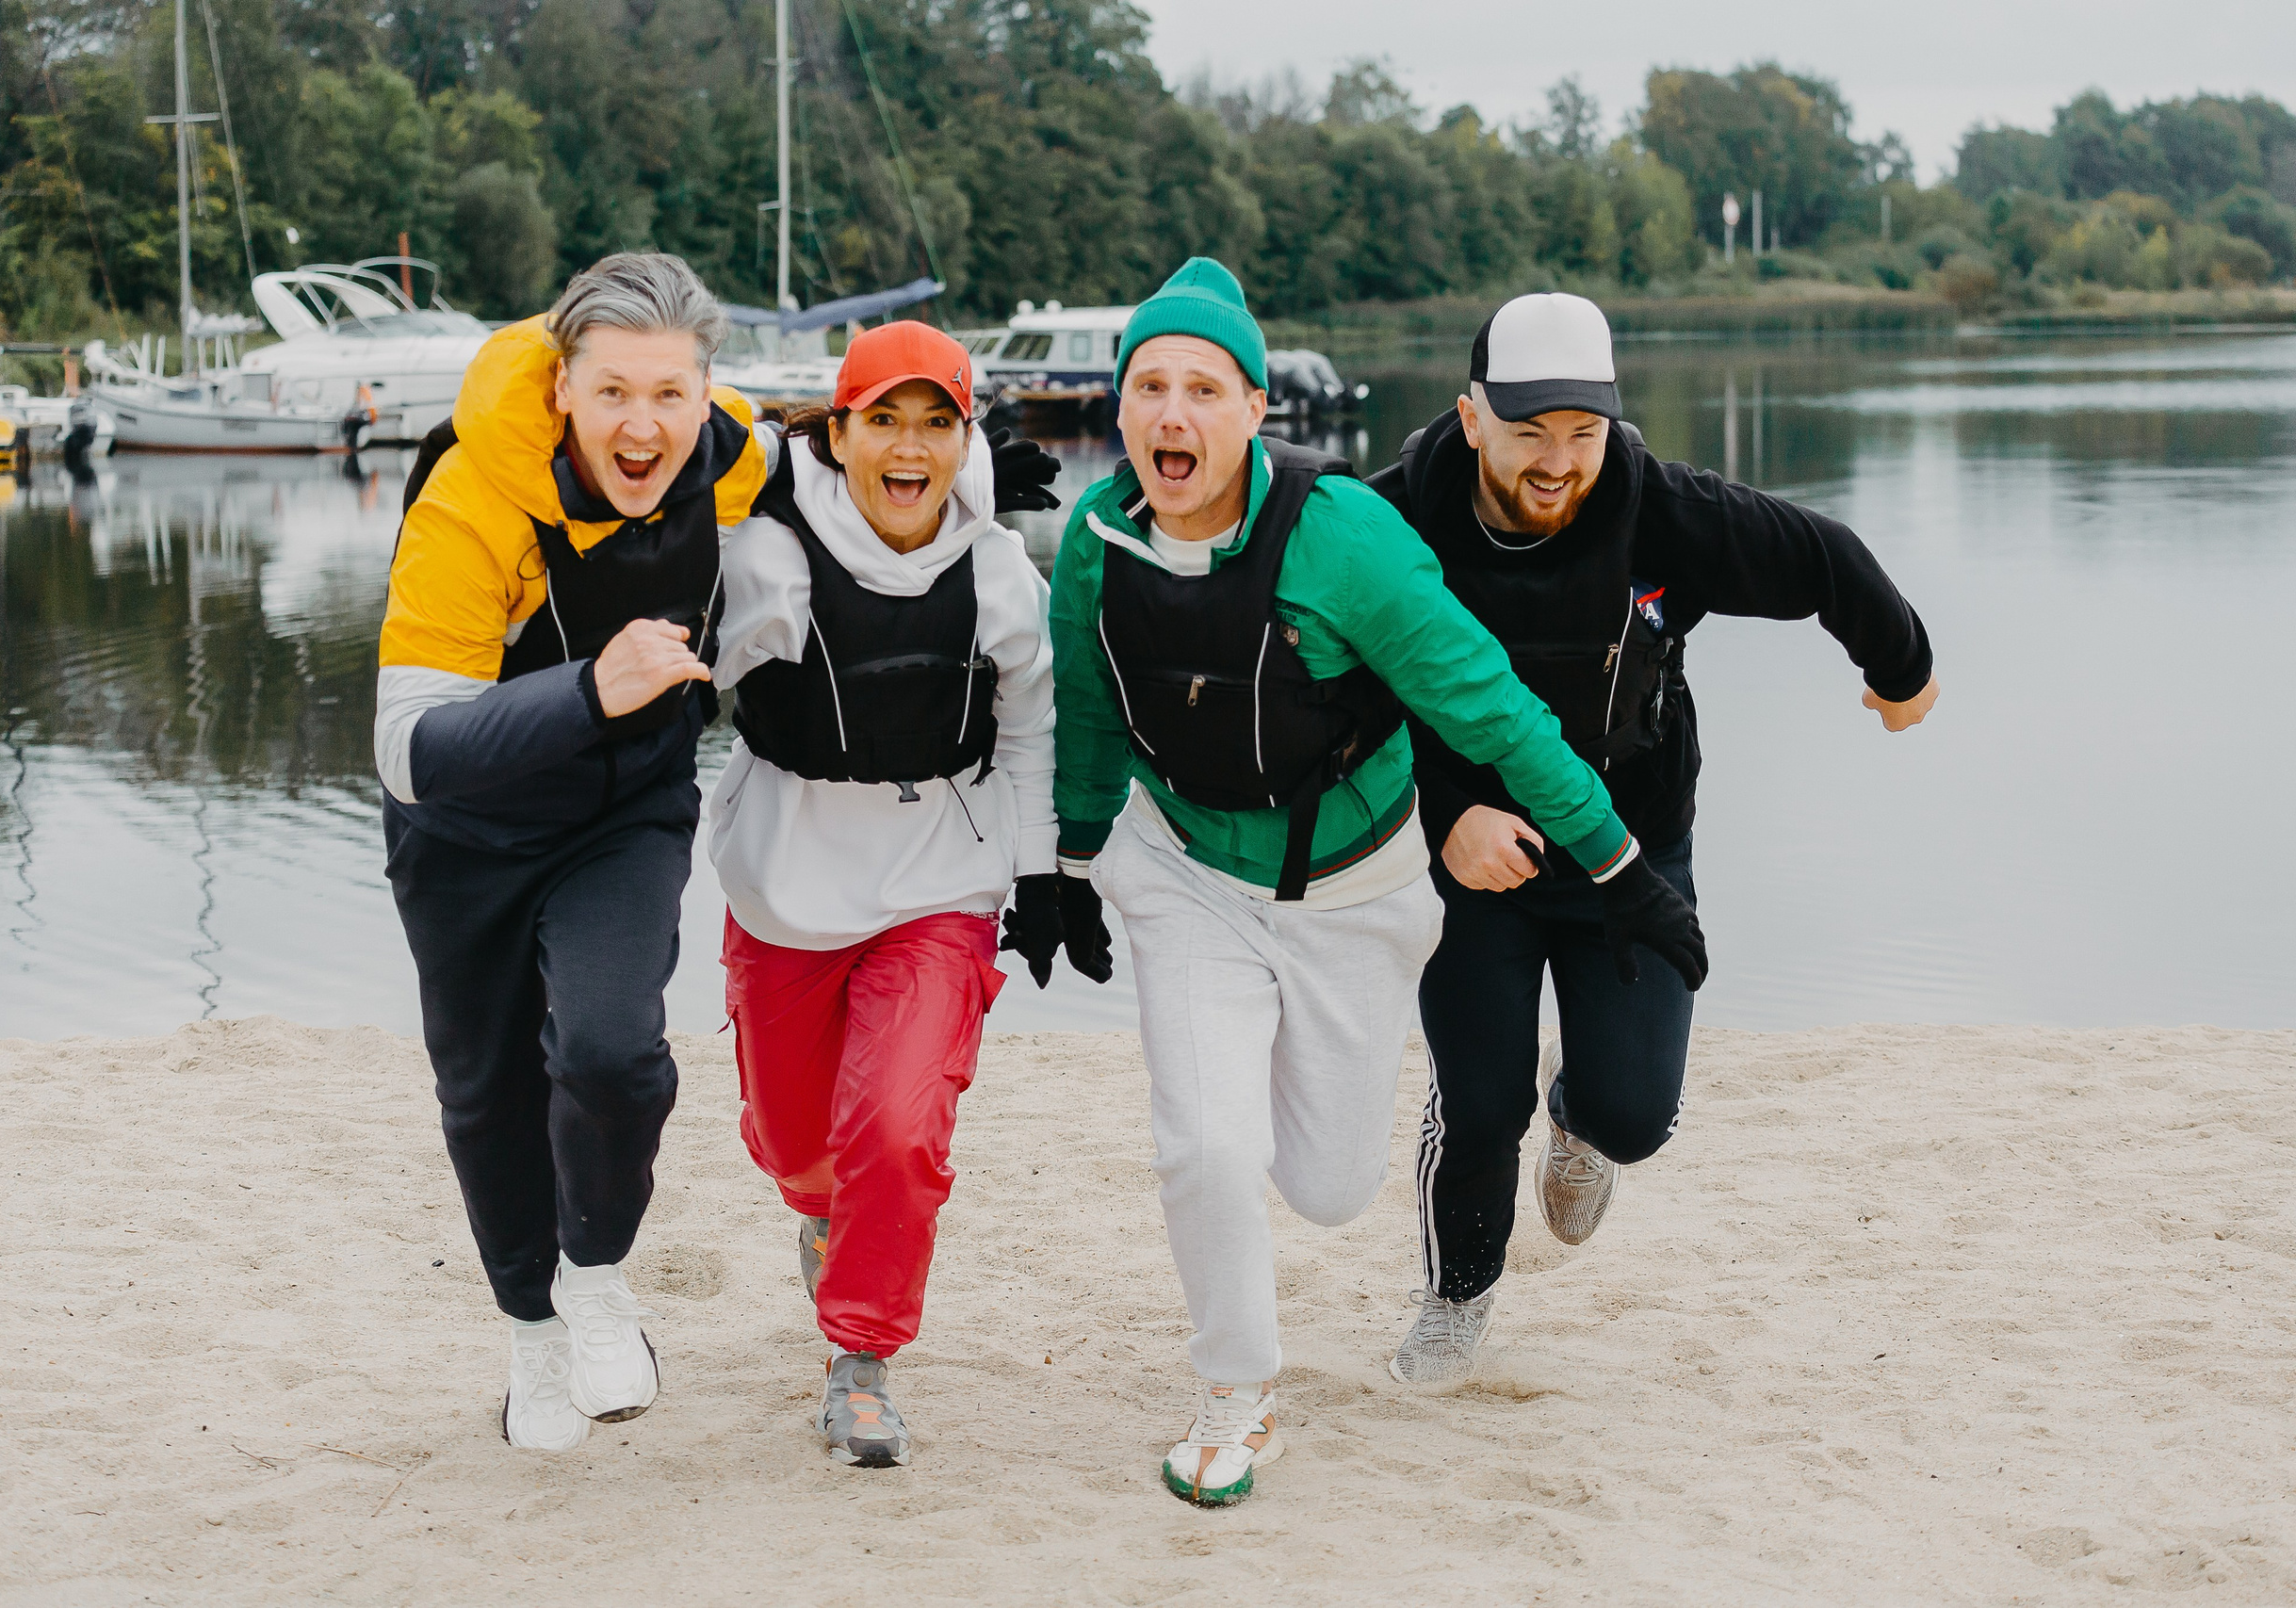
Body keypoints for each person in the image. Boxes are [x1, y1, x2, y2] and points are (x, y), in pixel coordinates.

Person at [1047, 258, 1705, 1506]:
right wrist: (1073, 863)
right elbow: (1087, 703)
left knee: (1329, 1182)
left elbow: (1496, 710)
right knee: (1206, 1140)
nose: (1172, 413)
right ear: (1121, 406)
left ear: (1254, 409)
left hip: (1357, 891)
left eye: (1203, 386)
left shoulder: (1346, 537)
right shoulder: (1094, 540)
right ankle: (1236, 1395)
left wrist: (1619, 864)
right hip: (1185, 874)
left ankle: (1423, 1157)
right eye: (1149, 387)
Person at [1365, 293, 1938, 1387]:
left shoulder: (1659, 512)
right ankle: (1456, 1294)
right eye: (1529, 431)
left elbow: (1823, 559)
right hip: (1467, 856)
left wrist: (1899, 668)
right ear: (1470, 415)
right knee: (1479, 1103)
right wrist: (1445, 819)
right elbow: (1326, 685)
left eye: (1581, 433)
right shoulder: (1391, 521)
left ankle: (1580, 1109)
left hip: (1628, 851)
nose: (1555, 461)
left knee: (1633, 1119)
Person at [376, 252, 765, 1452]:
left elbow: (856, 480)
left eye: (668, 394)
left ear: (705, 392)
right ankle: (532, 1335)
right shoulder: (473, 497)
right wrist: (590, 689)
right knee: (486, 1093)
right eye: (611, 394)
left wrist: (958, 502)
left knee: (610, 1051)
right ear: (561, 391)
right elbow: (406, 747)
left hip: (623, 817)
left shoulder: (740, 457)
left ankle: (594, 1276)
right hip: (465, 835)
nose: (641, 426)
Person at [707, 321, 1071, 1469]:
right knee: (795, 1147)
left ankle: (860, 1362)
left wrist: (1043, 874)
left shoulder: (1002, 570)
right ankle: (822, 1214)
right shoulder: (767, 557)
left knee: (900, 1130)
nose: (908, 449)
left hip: (938, 880)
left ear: (966, 440)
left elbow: (1034, 730)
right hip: (786, 880)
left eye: (936, 423)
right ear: (841, 429)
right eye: (883, 421)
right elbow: (676, 665)